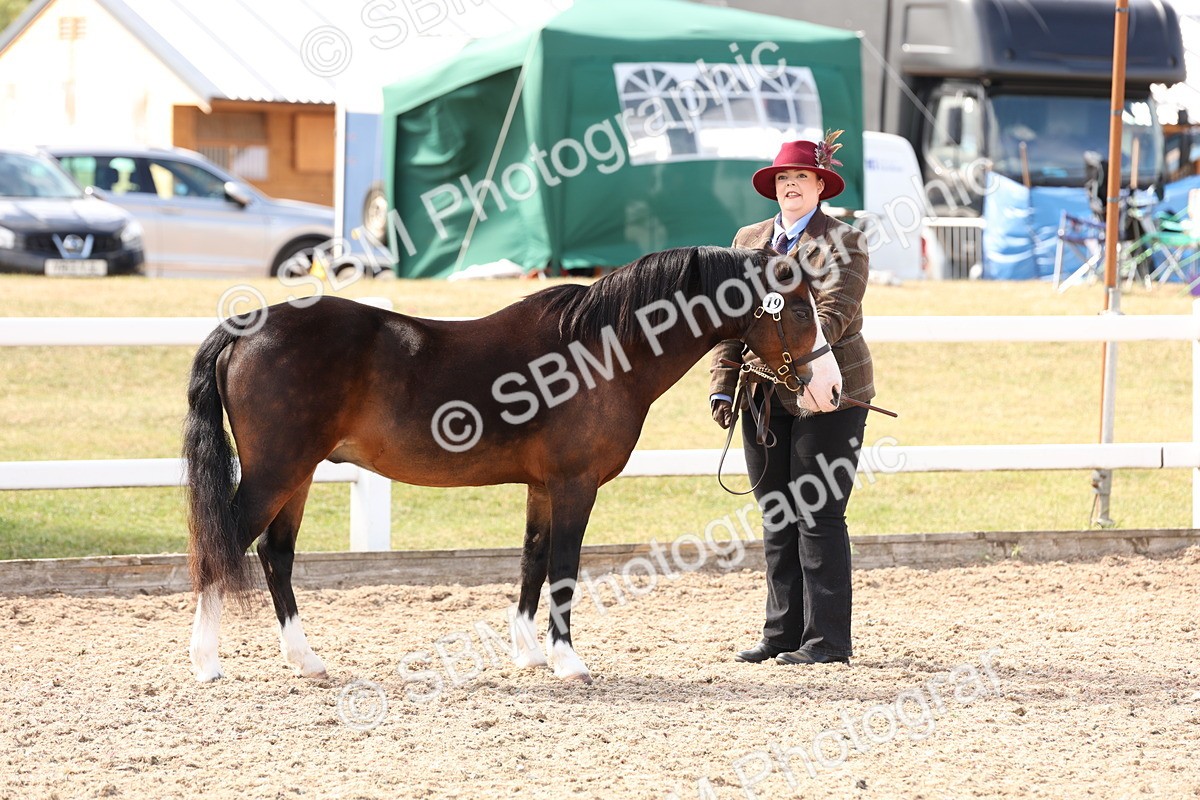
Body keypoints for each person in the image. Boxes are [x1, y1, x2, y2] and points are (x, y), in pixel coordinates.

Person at [709, 133, 875, 666]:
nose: (790, 187)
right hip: (762, 394)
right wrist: (722, 383)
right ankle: (780, 633)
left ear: (820, 185)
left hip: (829, 388)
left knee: (819, 513)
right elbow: (732, 317)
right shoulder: (748, 239)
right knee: (776, 514)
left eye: (800, 178)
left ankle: (827, 640)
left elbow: (835, 312)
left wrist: (804, 368)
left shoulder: (844, 241)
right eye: (783, 179)